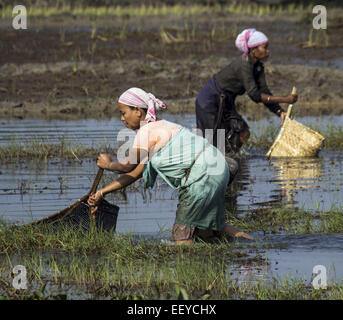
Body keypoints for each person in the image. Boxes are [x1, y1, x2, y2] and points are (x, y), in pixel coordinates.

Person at [87, 87, 253, 245]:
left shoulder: (146, 131)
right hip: (220, 168)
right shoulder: (165, 126)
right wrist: (102, 192)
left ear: (138, 111)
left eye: (123, 113)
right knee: (214, 229)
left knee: (180, 240)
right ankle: (254, 246)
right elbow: (136, 173)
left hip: (201, 177)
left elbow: (127, 166)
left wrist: (108, 164)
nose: (122, 118)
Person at [196, 28, 298, 157]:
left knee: (243, 133)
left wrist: (280, 112)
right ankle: (219, 160)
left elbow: (264, 92)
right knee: (213, 142)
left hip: (226, 102)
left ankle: (232, 159)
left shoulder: (258, 66)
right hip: (210, 101)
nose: (268, 51)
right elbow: (255, 95)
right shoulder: (244, 65)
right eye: (264, 47)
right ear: (253, 50)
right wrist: (285, 99)